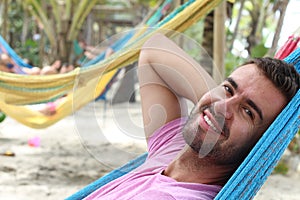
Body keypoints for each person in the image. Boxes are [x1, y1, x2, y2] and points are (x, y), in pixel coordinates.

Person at [85, 33, 299, 199]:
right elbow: (153, 49)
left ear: (261, 146)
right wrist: (211, 106)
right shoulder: (171, 150)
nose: (224, 106)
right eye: (228, 89)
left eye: (248, 112)